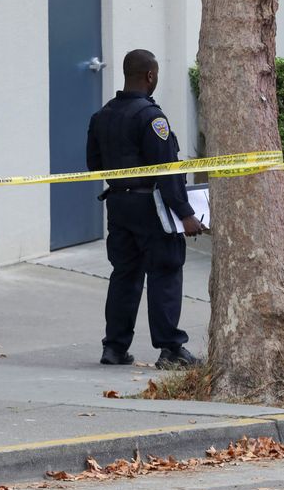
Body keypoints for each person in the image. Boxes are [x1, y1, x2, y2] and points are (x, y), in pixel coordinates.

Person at [86, 49, 204, 369]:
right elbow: (166, 169)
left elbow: (93, 166)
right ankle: (171, 349)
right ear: (150, 75)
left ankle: (114, 347)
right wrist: (185, 214)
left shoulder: (102, 116)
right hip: (151, 206)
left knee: (124, 276)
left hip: (118, 205)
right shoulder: (152, 118)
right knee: (165, 272)